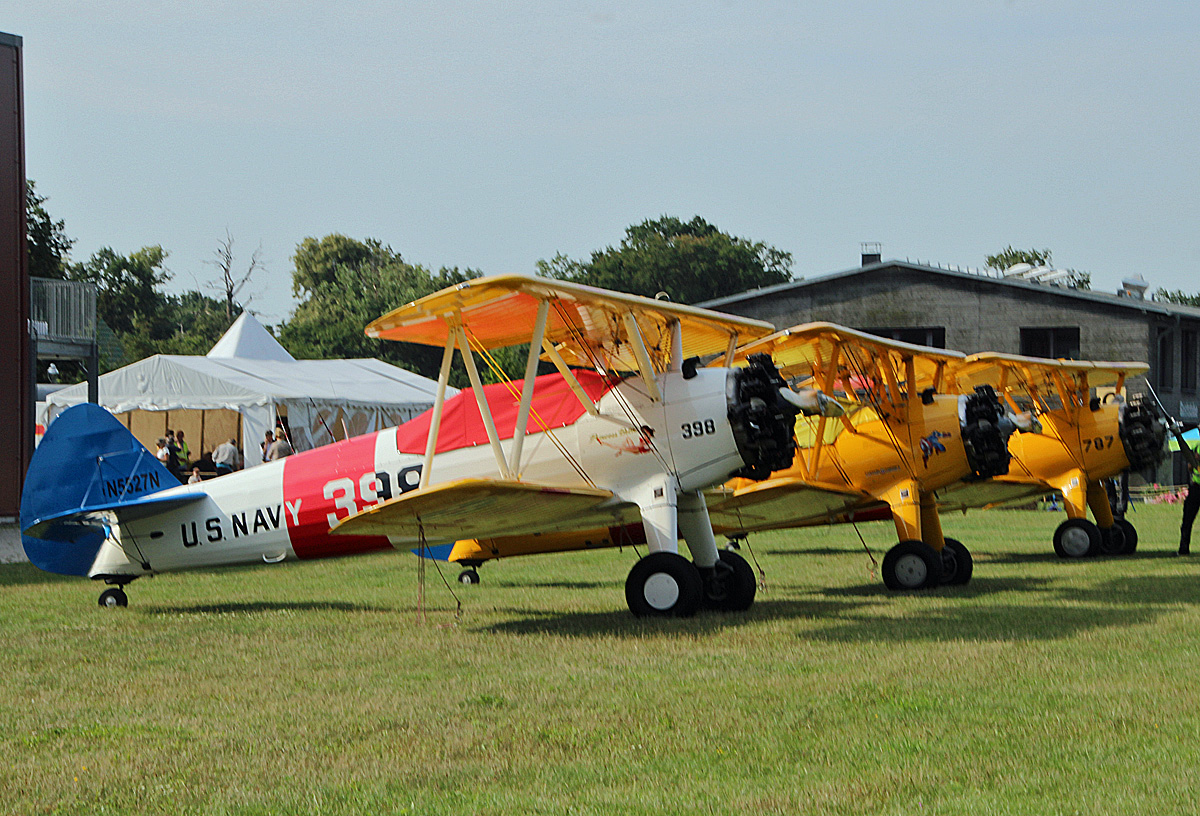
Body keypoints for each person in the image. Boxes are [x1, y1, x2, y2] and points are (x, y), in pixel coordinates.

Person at [1180, 454, 1200, 555]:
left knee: (1187, 521)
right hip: (1195, 488)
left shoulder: (1196, 447)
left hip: (1196, 488)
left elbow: (1190, 467)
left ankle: (1184, 549)